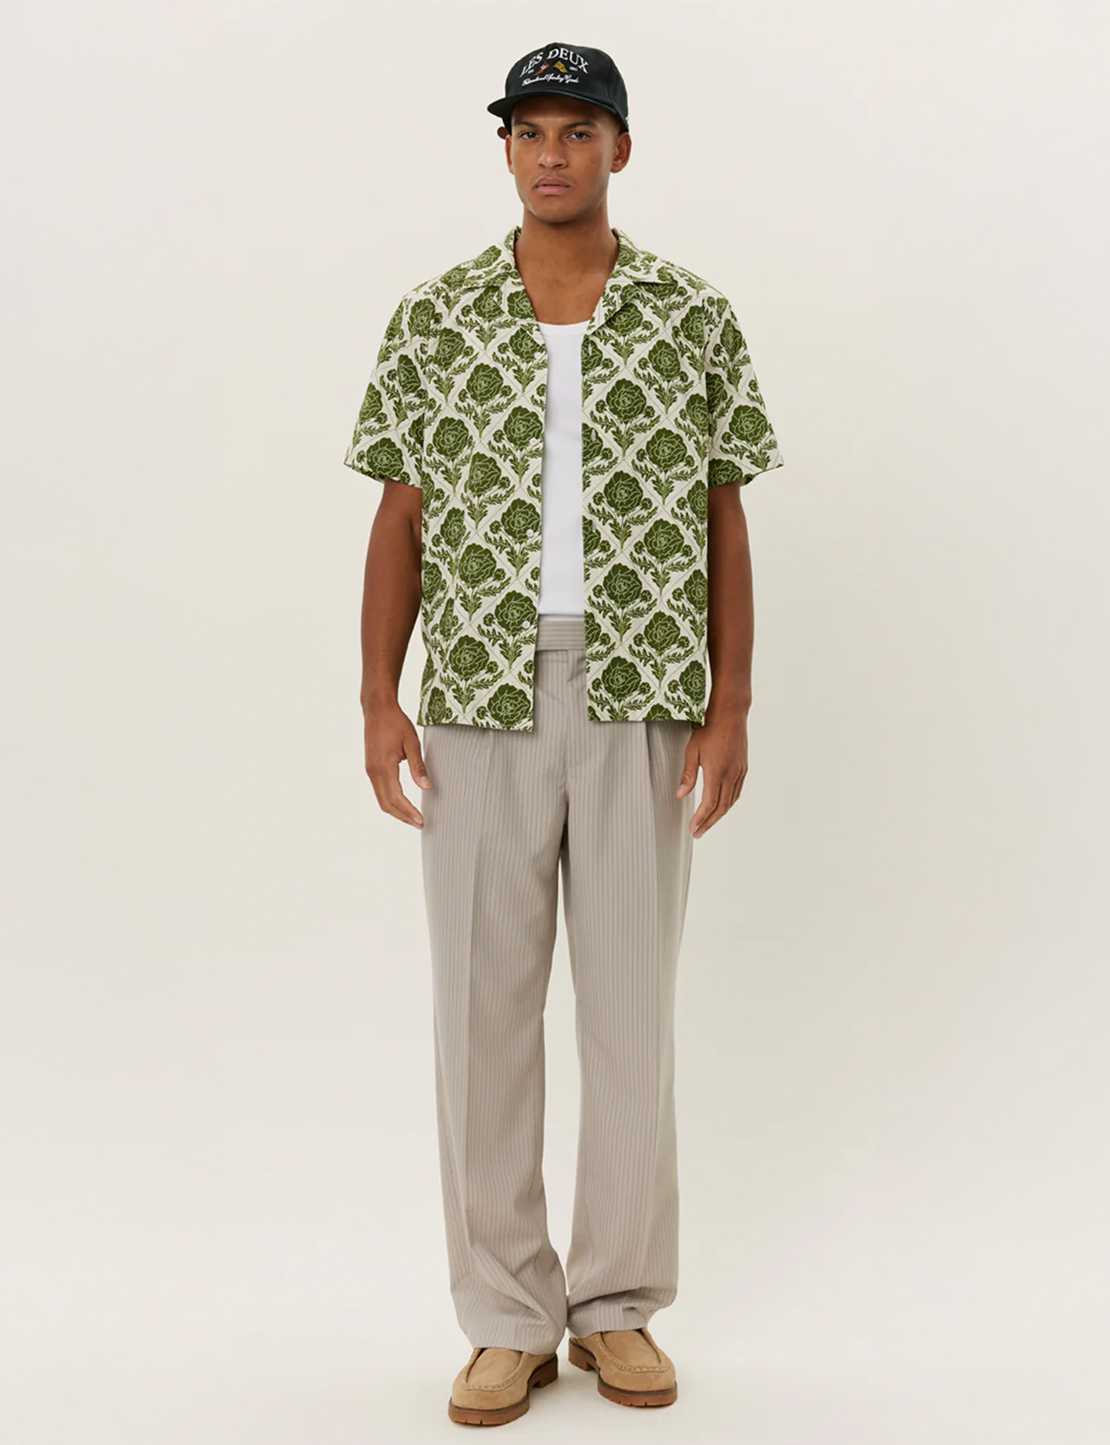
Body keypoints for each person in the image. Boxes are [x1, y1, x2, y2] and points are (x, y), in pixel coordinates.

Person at [343, 40, 784, 1426]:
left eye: (577, 130)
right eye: (530, 131)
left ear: (620, 148)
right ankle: (504, 1317)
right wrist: (377, 695)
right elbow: (402, 514)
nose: (551, 153)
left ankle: (619, 1306)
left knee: (630, 1010)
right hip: (479, 686)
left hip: (645, 683)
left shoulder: (691, 316)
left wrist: (732, 702)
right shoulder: (436, 317)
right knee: (482, 1012)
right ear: (506, 149)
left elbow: (723, 514)